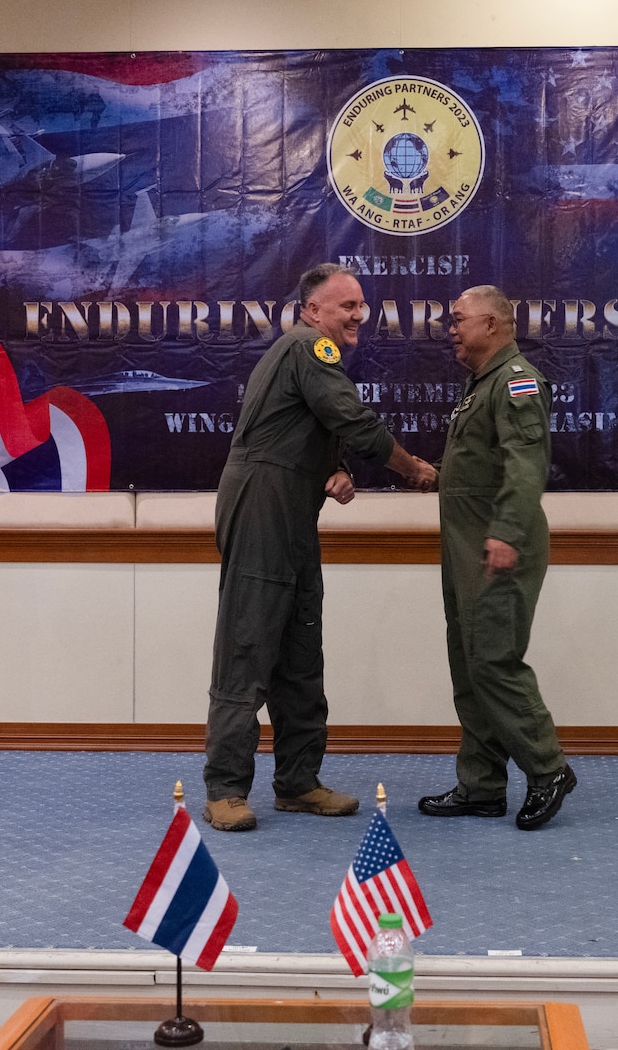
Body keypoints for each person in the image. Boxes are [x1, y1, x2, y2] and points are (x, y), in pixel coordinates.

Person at [203, 263, 437, 832]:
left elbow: (311, 426)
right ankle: (225, 789)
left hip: (293, 510)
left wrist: (334, 471)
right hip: (264, 505)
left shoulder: (310, 357)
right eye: (345, 306)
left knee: (300, 650)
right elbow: (350, 418)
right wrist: (411, 469)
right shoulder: (311, 347)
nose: (359, 315)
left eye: (361, 305)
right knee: (249, 644)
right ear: (312, 311)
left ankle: (298, 783)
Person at [418, 285, 575, 831]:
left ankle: (548, 768)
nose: (450, 328)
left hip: (499, 547)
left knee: (494, 660)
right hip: (467, 548)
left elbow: (526, 464)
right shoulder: (479, 386)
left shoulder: (516, 382)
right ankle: (481, 785)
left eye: (458, 319)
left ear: (492, 325)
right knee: (470, 664)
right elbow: (481, 466)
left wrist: (506, 532)